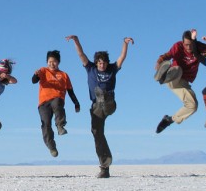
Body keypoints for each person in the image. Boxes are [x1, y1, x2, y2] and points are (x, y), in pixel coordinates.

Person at [65, 35, 133, 178]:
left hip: (109, 103)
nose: (102, 65)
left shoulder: (112, 69)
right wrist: (76, 41)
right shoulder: (90, 69)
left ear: (107, 63)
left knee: (101, 94)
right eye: (100, 63)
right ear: (96, 63)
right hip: (96, 106)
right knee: (96, 132)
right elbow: (81, 54)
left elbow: (122, 57)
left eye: (104, 63)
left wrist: (125, 43)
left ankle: (102, 97)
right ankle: (105, 166)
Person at [154, 29, 206, 134]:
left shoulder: (199, 47)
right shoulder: (178, 46)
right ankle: (163, 76)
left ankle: (169, 120)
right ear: (182, 43)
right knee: (178, 69)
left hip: (183, 83)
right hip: (173, 77)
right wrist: (159, 62)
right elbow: (167, 55)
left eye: (190, 45)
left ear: (194, 42)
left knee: (193, 105)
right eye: (186, 45)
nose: (188, 47)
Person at [32, 50, 81, 157]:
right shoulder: (43, 70)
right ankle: (51, 146)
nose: (52, 64)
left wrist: (76, 103)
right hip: (43, 103)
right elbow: (34, 81)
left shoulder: (64, 75)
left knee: (58, 101)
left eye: (54, 61)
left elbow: (70, 91)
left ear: (58, 62)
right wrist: (35, 75)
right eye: (49, 61)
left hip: (57, 99)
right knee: (46, 125)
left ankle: (60, 126)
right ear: (47, 62)